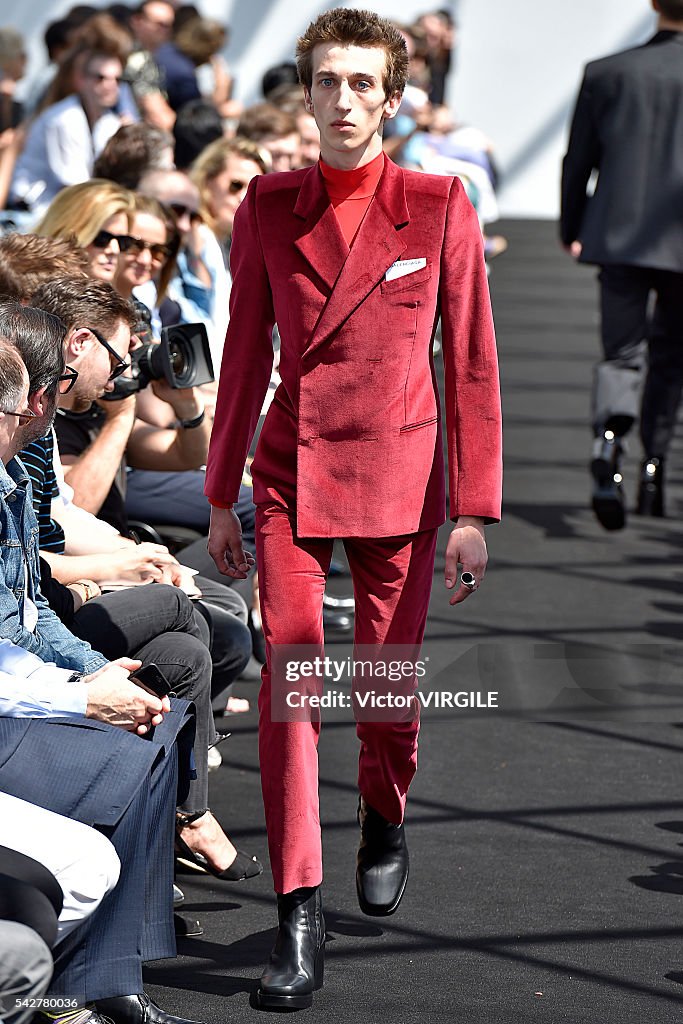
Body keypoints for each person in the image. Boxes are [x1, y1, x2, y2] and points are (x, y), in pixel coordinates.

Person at [204, 7, 502, 1010]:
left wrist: (473, 509)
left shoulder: (437, 201)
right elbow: (244, 352)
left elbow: (467, 364)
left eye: (361, 83)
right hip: (290, 471)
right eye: (325, 81)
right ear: (305, 91)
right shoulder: (266, 202)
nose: (342, 99)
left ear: (391, 97)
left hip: (402, 480)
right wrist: (218, 492)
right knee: (293, 676)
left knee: (385, 694)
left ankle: (383, 807)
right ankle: (299, 910)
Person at [560, 0, 683, 528]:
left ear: (655, 6)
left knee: (622, 353)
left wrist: (574, 227)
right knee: (671, 358)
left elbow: (578, 159)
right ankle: (653, 469)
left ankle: (609, 444)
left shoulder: (607, 72)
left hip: (619, 237)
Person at [8, 45, 126, 219]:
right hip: (29, 213)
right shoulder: (63, 118)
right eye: (100, 78)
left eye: (118, 79)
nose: (110, 85)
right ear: (81, 80)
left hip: (65, 211)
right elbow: (76, 186)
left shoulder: (110, 122)